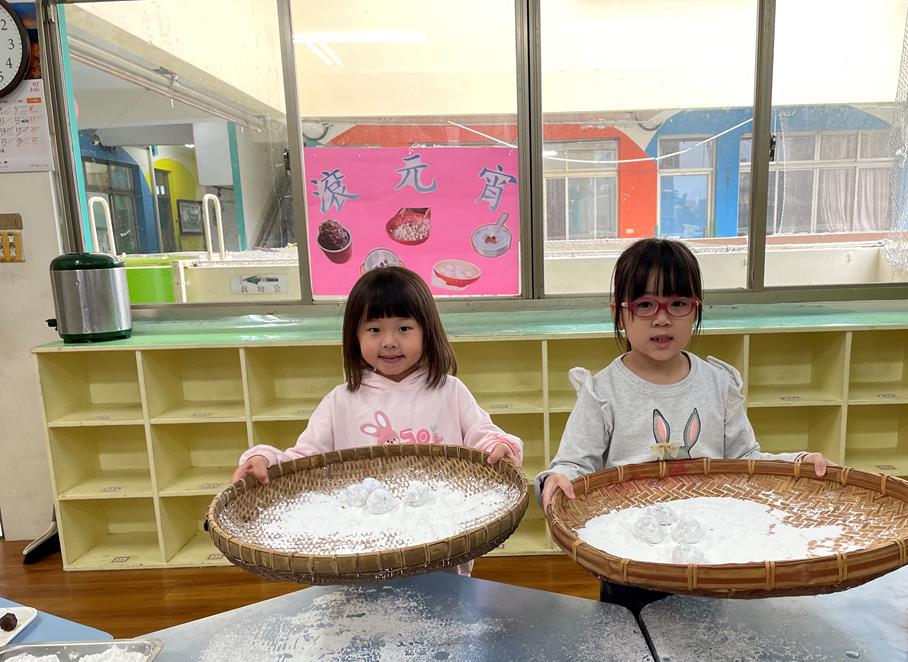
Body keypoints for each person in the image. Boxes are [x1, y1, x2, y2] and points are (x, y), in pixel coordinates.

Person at [536, 238, 832, 613]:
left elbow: (746, 460)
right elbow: (573, 464)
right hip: (631, 555)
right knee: (632, 636)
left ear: (696, 310)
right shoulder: (602, 392)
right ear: (620, 315)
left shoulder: (718, 384)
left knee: (708, 637)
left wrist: (795, 464)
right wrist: (557, 478)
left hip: (709, 551)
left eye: (677, 304)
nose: (662, 318)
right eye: (645, 305)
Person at [231, 266, 523, 573]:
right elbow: (303, 461)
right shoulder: (341, 401)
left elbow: (482, 436)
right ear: (354, 336)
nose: (389, 341)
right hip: (362, 553)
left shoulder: (449, 391)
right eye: (374, 330)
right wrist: (265, 458)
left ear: (427, 331)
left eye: (404, 328)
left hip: (438, 547)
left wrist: (498, 446)